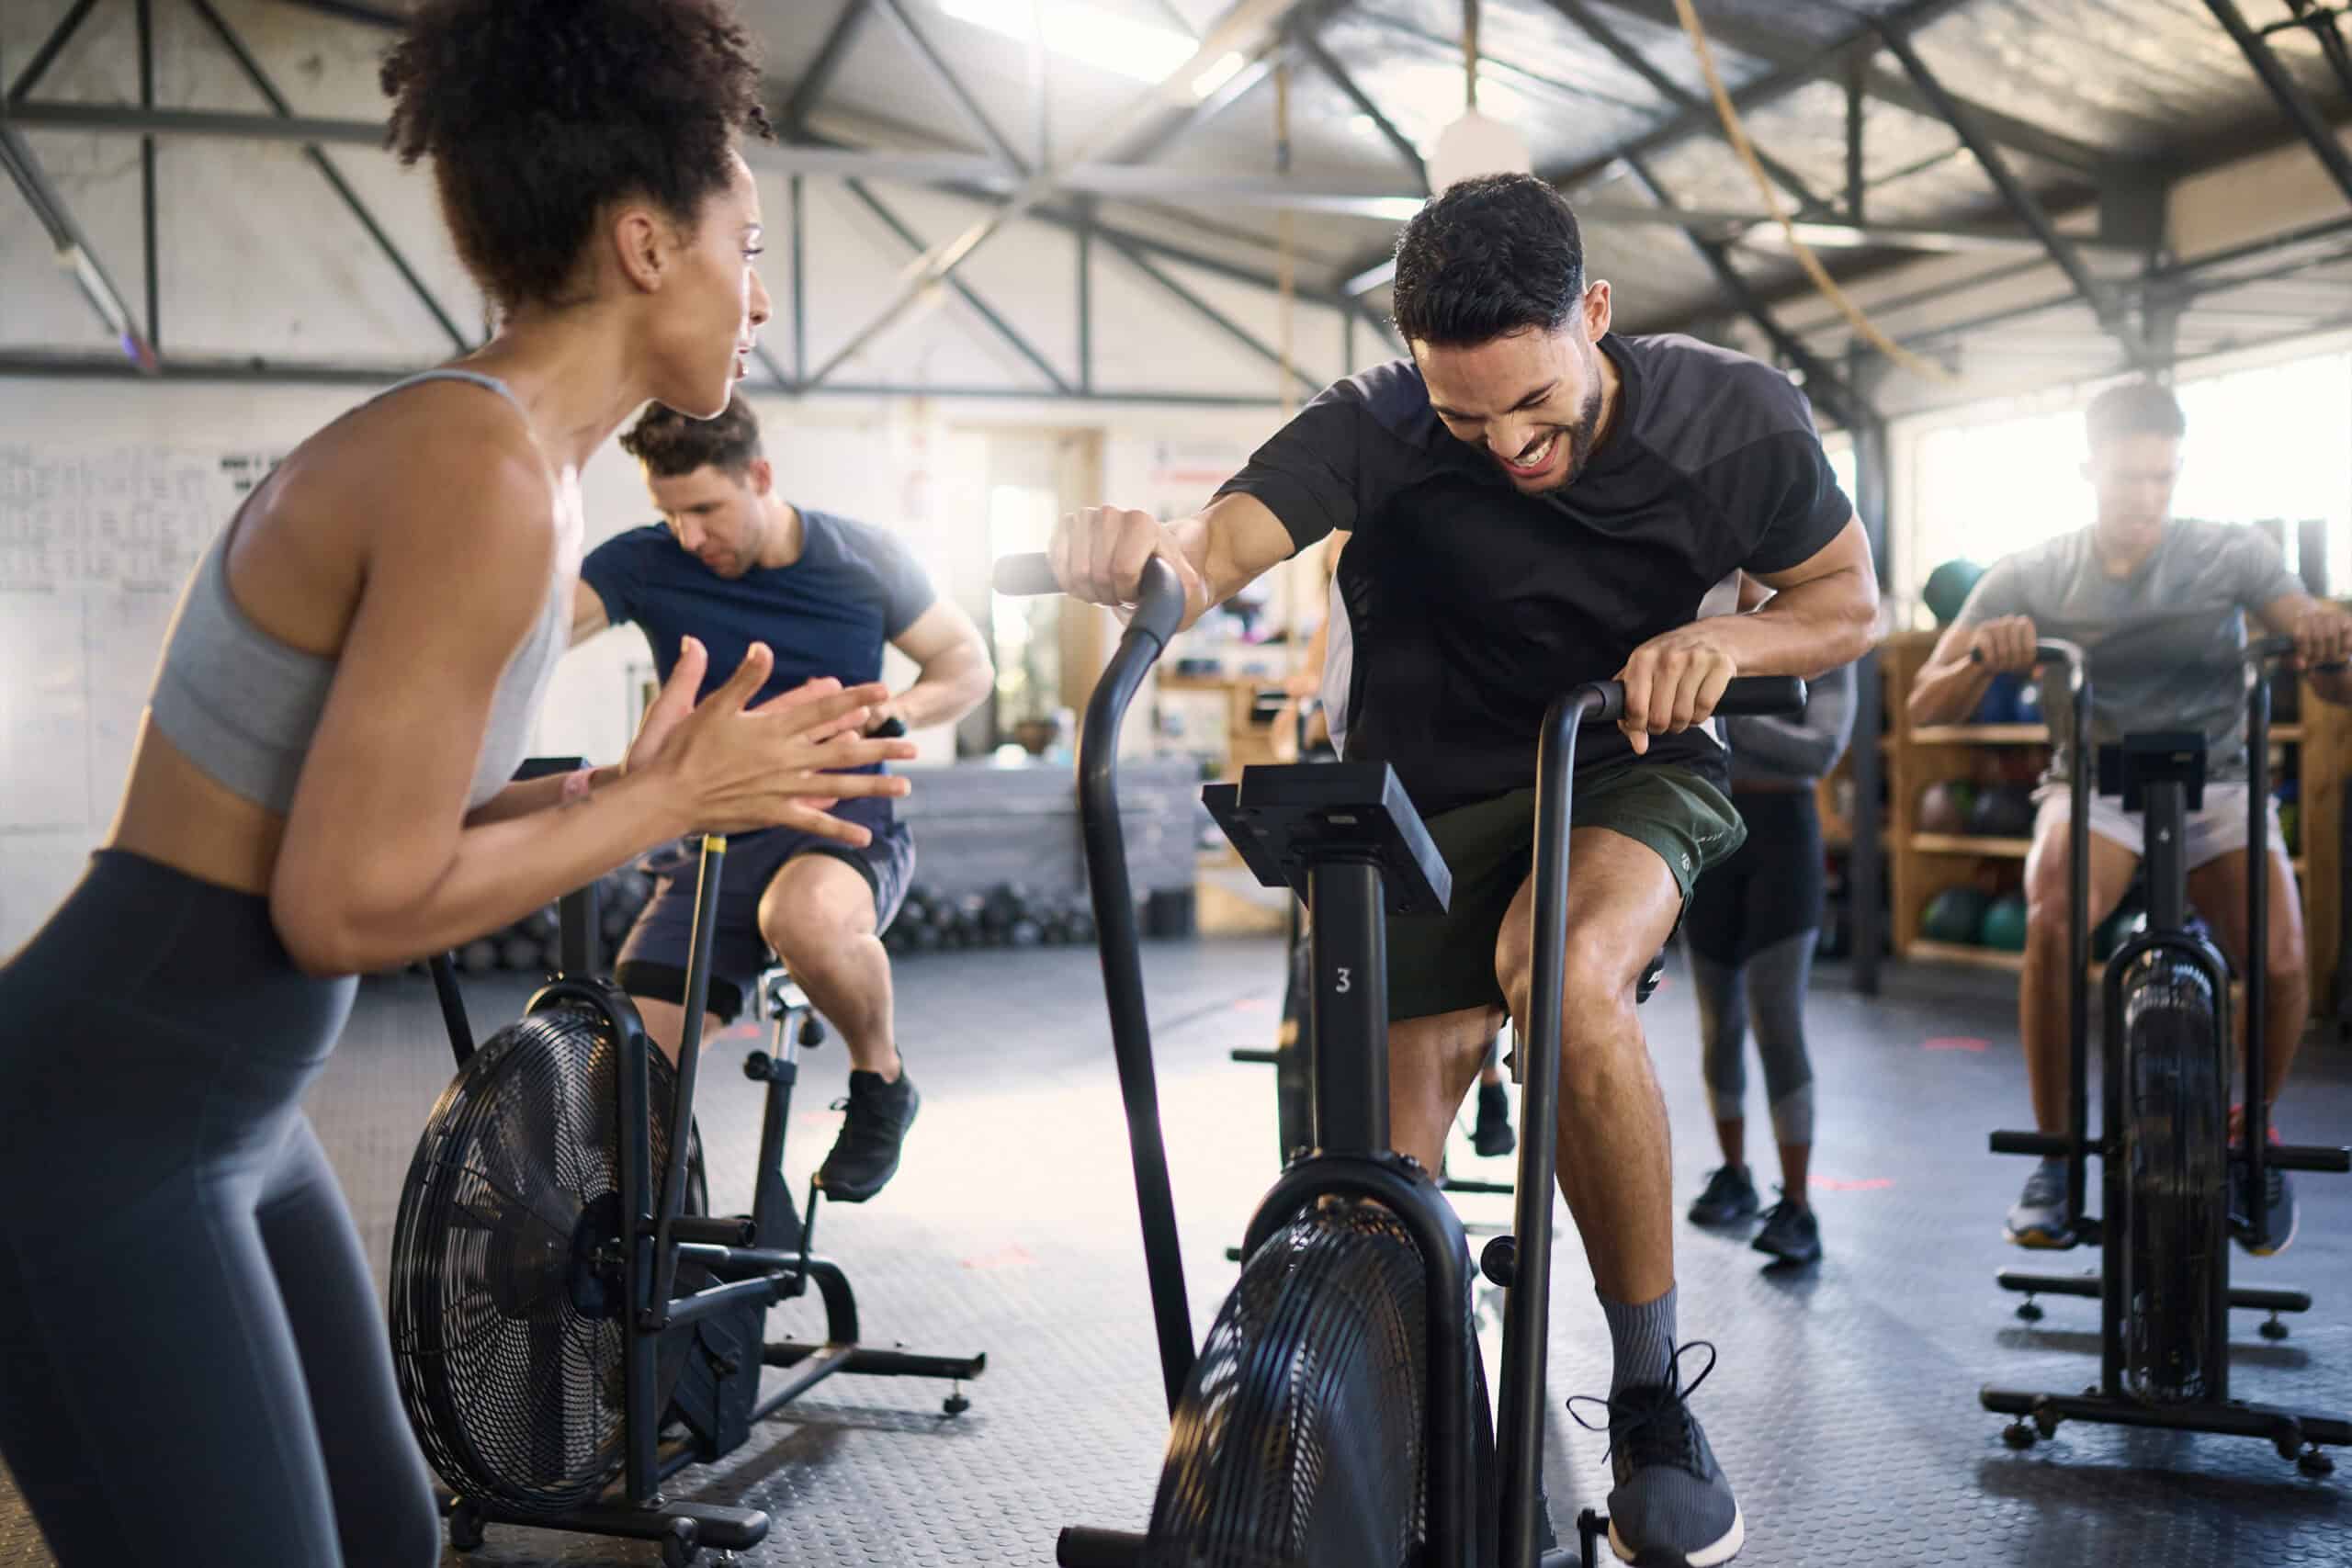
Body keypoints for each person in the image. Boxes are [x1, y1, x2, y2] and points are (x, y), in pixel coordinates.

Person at [0, 4, 920, 1564]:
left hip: (228, 1104)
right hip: (107, 1117)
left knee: (386, 1535)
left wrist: (611, 788)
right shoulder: (480, 474)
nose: (759, 298)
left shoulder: (527, 472)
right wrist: (664, 806)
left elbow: (365, 820)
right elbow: (343, 903)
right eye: (746, 245)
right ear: (645, 242)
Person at [1044, 173, 1877, 1568]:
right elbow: (1219, 543)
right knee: (1383, 1170)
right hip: (1418, 789)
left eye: (1535, 402)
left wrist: (1726, 647)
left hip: (1614, 755)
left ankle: (1651, 1394)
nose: (1506, 445)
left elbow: (1845, 601)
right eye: (1464, 415)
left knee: (1561, 976)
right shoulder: (1376, 421)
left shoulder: (1733, 417)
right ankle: (1422, 1435)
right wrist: (1147, 552)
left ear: (1594, 314)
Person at [1907, 379, 2352, 1258]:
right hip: (2098, 787)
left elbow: (2322, 663)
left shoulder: (2234, 554)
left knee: (2286, 956)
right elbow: (1927, 703)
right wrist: (1986, 657)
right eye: (2127, 480)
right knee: (2050, 915)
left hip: (2219, 784)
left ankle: (2249, 1133)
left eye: (2162, 478)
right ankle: (2058, 1156)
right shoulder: (2035, 569)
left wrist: (2325, 640)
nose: (2146, 498)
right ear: (2089, 471)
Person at [571, 394, 992, 1201]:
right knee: (623, 1077)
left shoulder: (865, 557)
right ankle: (668, 1248)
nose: (691, 537)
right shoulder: (644, 562)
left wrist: (897, 711)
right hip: (717, 833)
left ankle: (881, 1080)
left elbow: (966, 663)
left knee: (799, 918)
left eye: (706, 509)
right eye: (671, 514)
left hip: (838, 820)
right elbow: (531, 633)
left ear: (759, 476)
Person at [1682, 574, 1857, 1267]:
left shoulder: (1829, 633)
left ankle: (1799, 1204)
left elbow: (1817, 750)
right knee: (1714, 1019)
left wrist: (1720, 709)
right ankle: (1734, 1174)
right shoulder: (1709, 620)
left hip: (1785, 835)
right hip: (1713, 834)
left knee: (1774, 1015)